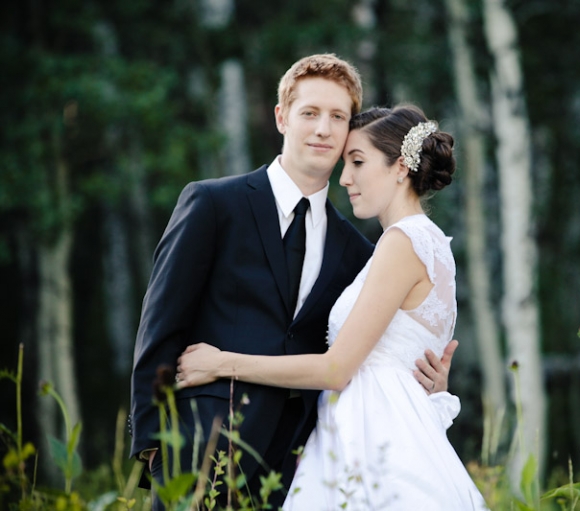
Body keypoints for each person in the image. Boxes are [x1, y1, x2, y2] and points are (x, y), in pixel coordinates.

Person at [129, 54, 457, 510]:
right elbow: (160, 326)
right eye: (310, 113)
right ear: (282, 117)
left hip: (300, 468)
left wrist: (426, 383)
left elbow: (361, 353)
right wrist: (153, 448)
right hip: (199, 452)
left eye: (337, 117)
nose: (323, 129)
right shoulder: (213, 204)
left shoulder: (360, 252)